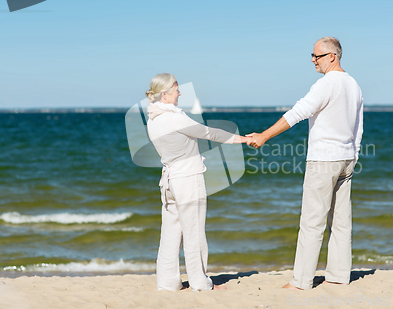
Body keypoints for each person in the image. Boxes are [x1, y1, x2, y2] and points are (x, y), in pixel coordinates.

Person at [247, 37, 363, 290]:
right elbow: (358, 126)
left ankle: (301, 282)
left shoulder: (327, 84)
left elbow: (297, 113)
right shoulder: (353, 84)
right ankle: (338, 276)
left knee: (312, 222)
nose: (312, 60)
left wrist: (264, 136)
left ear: (332, 56)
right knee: (341, 222)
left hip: (324, 159)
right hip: (346, 159)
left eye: (316, 56)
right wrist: (354, 155)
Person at [145, 73, 248, 291]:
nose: (180, 93)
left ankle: (167, 283)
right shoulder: (175, 118)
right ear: (164, 94)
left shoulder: (153, 119)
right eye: (176, 89)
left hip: (169, 182)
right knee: (194, 233)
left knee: (170, 233)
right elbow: (209, 133)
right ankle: (200, 283)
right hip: (188, 179)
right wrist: (244, 139)